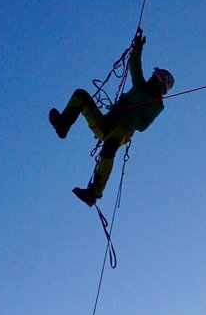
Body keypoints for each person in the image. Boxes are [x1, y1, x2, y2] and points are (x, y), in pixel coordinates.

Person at [49, 28, 174, 206]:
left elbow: (142, 125)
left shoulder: (157, 104)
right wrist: (137, 47)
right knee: (80, 95)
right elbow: (135, 67)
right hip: (107, 122)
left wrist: (128, 108)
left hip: (122, 130)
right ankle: (63, 125)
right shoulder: (140, 86)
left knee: (110, 147)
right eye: (154, 76)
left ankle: (94, 192)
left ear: (160, 85)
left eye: (156, 77)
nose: (152, 78)